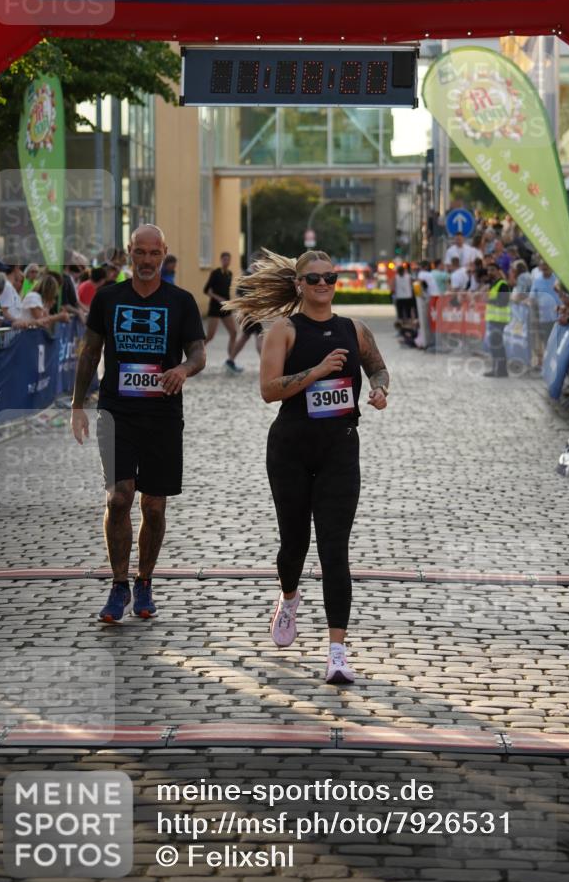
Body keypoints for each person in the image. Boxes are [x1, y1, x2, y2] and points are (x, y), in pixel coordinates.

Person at [227, 249, 389, 684]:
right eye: (313, 278)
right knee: (294, 544)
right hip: (291, 449)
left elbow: (378, 368)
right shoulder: (284, 330)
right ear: (298, 284)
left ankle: (337, 653)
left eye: (329, 278)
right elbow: (268, 390)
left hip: (340, 448)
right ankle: (288, 598)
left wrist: (380, 390)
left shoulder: (354, 329)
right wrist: (317, 371)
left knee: (335, 550)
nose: (322, 285)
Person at [70, 224, 206, 624]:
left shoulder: (181, 301)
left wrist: (183, 369)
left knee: (154, 505)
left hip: (163, 415)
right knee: (119, 498)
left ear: (164, 253)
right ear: (130, 253)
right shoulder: (108, 298)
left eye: (154, 253)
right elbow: (89, 351)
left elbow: (198, 353)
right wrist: (77, 404)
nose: (147, 260)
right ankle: (118, 584)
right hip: (117, 412)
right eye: (140, 252)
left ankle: (144, 580)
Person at [204, 251, 240, 372]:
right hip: (214, 308)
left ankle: (231, 361)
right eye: (224, 259)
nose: (226, 261)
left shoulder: (229, 274)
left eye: (228, 259)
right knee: (210, 336)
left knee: (234, 332)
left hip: (225, 308)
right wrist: (218, 298)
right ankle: (195, 353)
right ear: (221, 260)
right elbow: (206, 290)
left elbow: (226, 292)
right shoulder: (215, 273)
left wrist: (231, 304)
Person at [483, 260, 510, 377]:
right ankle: (496, 369)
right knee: (494, 345)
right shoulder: (493, 284)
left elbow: (503, 301)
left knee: (497, 345)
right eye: (488, 270)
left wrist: (488, 300)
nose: (490, 272)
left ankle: (501, 370)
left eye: (492, 270)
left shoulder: (502, 284)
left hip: (499, 319)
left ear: (498, 271)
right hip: (493, 319)